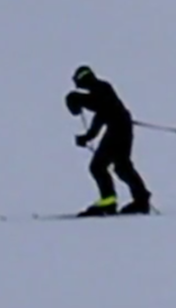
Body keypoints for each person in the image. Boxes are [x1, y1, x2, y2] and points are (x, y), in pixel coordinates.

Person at [65, 65, 152, 216]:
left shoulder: (101, 88)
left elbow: (98, 106)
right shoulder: (100, 89)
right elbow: (101, 114)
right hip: (121, 129)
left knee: (98, 167)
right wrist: (88, 136)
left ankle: (109, 202)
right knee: (122, 167)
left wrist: (76, 99)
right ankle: (141, 199)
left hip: (118, 131)